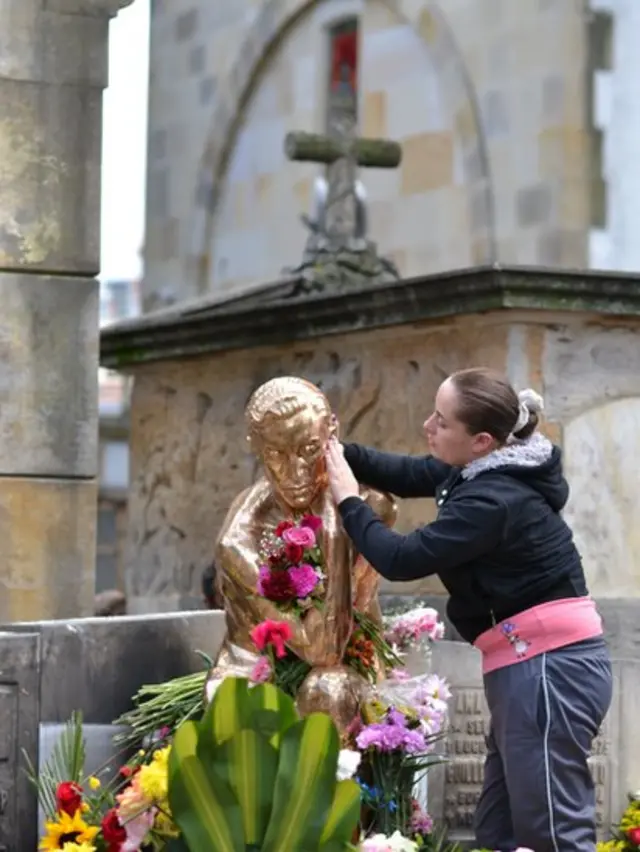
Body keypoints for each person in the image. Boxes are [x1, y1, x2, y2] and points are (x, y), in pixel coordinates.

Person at [324, 367, 612, 852]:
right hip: (527, 667)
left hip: (548, 670)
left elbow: (401, 558)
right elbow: (410, 473)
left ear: (480, 440)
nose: (427, 426)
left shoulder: (493, 498)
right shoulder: (488, 463)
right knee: (500, 829)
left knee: (554, 837)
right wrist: (335, 451)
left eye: (441, 420)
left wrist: (348, 500)